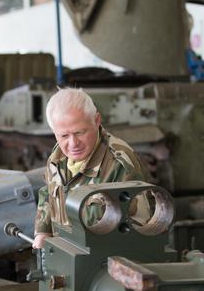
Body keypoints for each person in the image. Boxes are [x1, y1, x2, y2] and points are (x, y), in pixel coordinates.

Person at [33, 87, 148, 247]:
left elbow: (138, 227)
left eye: (80, 132)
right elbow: (48, 193)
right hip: (63, 255)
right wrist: (42, 231)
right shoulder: (57, 157)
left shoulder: (119, 163)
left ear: (97, 120)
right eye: (64, 135)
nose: (73, 144)